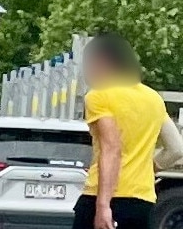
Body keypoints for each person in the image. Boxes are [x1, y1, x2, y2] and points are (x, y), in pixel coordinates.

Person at [72, 33, 183, 229]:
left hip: (102, 197)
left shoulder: (98, 96)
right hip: (142, 200)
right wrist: (149, 168)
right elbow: (177, 149)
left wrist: (103, 206)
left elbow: (111, 148)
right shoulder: (153, 99)